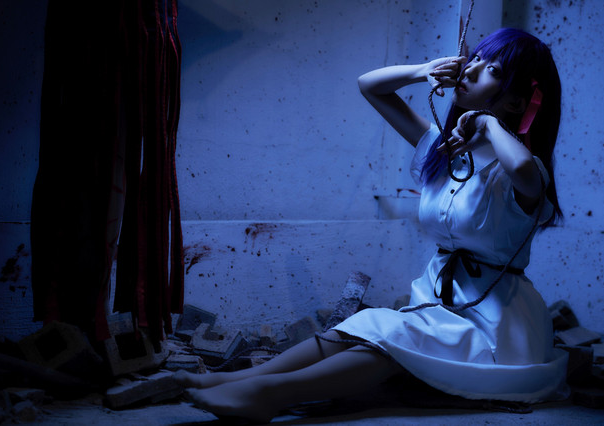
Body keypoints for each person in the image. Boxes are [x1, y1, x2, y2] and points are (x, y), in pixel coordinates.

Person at [174, 28, 569, 423]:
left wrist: (487, 124)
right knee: (364, 324)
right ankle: (241, 379)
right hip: (439, 303)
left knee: (396, 338)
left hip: (497, 326)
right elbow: (370, 86)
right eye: (476, 58)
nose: (471, 69)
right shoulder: (442, 149)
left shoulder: (523, 171)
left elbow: (522, 168)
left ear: (517, 102)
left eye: (492, 70)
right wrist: (424, 70)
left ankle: (268, 395)